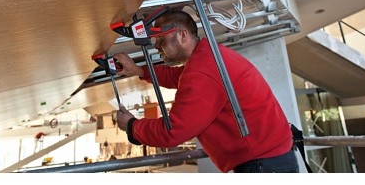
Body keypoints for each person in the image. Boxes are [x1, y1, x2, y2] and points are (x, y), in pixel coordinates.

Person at [115, 10, 298, 173]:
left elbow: (173, 131)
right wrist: (139, 70)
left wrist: (132, 126)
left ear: (182, 35)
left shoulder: (202, 70)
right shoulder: (206, 56)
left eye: (161, 39)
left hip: (264, 164)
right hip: (269, 159)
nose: (156, 46)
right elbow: (177, 76)